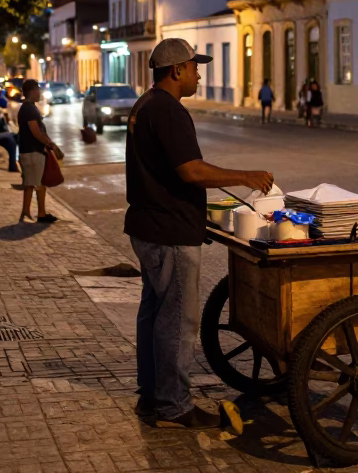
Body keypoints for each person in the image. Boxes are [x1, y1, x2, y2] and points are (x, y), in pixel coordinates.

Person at [125, 38, 274, 429]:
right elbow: (190, 171)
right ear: (176, 71)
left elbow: (164, 173)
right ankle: (175, 405)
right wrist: (245, 177)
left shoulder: (144, 105)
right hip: (167, 233)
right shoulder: (169, 111)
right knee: (177, 320)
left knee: (154, 314)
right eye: (194, 66)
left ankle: (152, 396)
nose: (198, 73)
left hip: (149, 227)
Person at [17, 79, 64, 222]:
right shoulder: (29, 109)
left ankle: (26, 212)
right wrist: (51, 145)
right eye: (38, 89)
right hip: (33, 152)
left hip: (30, 151)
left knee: (31, 183)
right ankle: (41, 214)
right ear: (32, 91)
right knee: (39, 184)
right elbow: (36, 132)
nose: (40, 93)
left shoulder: (28, 107)